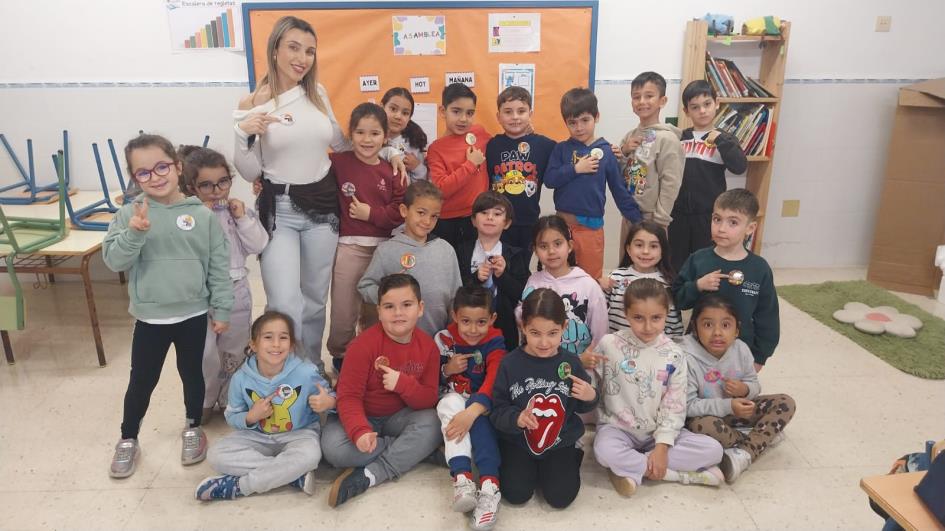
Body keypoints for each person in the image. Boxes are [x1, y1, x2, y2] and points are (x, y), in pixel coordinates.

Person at [232, 16, 402, 371]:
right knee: (283, 301)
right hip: (280, 209)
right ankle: (285, 369)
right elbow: (249, 170)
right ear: (275, 49)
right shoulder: (253, 103)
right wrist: (242, 133)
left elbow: (341, 143)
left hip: (324, 209)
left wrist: (389, 151)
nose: (302, 58)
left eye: (309, 51)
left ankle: (310, 368)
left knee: (314, 299)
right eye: (294, 48)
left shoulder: (317, 93)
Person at [103, 134, 233, 479]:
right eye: (143, 172)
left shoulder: (201, 215)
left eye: (161, 167)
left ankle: (193, 427)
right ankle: (128, 438)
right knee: (142, 380)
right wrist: (134, 233)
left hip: (193, 314)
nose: (155, 177)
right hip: (150, 318)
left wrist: (222, 309)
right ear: (135, 178)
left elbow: (218, 266)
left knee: (193, 375)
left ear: (177, 167)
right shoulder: (130, 214)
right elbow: (114, 261)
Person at [592, 279, 724, 497]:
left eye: (656, 318)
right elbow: (591, 384)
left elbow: (675, 405)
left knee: (714, 450)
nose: (647, 327)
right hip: (617, 429)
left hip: (658, 433)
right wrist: (583, 364)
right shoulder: (608, 344)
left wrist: (662, 448)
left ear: (666, 314)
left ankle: (632, 469)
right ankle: (675, 475)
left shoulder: (674, 354)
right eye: (638, 318)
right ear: (626, 314)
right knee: (603, 451)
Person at [322, 274, 442, 508]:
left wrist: (403, 384)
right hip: (362, 416)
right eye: (389, 307)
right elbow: (348, 397)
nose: (398, 313)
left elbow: (428, 398)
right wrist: (359, 431)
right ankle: (415, 450)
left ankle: (375, 473)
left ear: (420, 308)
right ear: (379, 311)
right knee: (332, 449)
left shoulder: (428, 347)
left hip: (399, 417)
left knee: (434, 421)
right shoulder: (362, 346)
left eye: (406, 305)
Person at [195, 311, 336, 500]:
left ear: (291, 345)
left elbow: (334, 398)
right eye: (268, 337)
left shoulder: (306, 372)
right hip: (256, 436)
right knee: (216, 455)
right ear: (253, 344)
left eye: (283, 338)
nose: (276, 344)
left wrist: (328, 402)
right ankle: (291, 475)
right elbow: (232, 416)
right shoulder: (240, 378)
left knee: (310, 455)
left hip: (299, 435)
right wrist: (250, 417)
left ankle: (240, 486)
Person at [179, 145, 268, 419]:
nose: (217, 190)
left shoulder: (236, 211)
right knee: (204, 352)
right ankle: (205, 398)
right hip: (200, 295)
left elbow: (259, 244)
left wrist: (242, 218)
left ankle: (232, 397)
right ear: (192, 188)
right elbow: (183, 251)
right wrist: (200, 217)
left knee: (235, 349)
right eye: (206, 185)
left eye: (223, 182)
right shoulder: (186, 216)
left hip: (236, 290)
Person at [490, 288, 598, 509]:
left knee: (561, 498)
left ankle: (570, 458)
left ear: (564, 328)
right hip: (518, 442)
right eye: (535, 333)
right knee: (516, 494)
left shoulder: (571, 363)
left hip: (560, 442)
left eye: (552, 333)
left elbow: (582, 405)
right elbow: (497, 410)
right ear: (522, 327)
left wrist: (591, 395)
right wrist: (516, 418)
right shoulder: (509, 364)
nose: (544, 342)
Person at [326, 103, 406, 375]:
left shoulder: (392, 169)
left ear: (385, 136)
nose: (367, 140)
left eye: (374, 133)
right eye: (360, 132)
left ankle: (372, 355)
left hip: (383, 250)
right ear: (350, 134)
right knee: (343, 309)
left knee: (375, 308)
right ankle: (340, 354)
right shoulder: (338, 162)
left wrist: (370, 213)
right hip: (349, 248)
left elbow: (398, 211)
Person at [682, 294, 796, 483]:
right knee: (699, 426)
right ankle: (759, 439)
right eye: (708, 325)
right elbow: (688, 406)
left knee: (785, 403)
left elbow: (754, 385)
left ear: (736, 330)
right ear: (695, 327)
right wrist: (729, 406)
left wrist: (745, 389)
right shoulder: (686, 357)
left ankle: (744, 451)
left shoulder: (740, 349)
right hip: (709, 419)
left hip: (740, 412)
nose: (717, 333)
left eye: (726, 325)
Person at [672, 189, 779, 371]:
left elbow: (768, 318)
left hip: (739, 353)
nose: (721, 228)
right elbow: (677, 299)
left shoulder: (759, 268)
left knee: (732, 389)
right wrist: (697, 285)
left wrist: (760, 357)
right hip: (698, 350)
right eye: (717, 219)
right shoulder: (698, 259)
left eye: (733, 222)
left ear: (750, 228)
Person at [545, 87, 641, 280]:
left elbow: (619, 190)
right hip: (562, 227)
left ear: (596, 117)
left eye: (585, 120)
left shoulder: (607, 152)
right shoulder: (561, 149)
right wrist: (575, 169)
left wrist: (638, 221)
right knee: (559, 276)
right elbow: (549, 180)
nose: (579, 127)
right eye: (572, 123)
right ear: (565, 123)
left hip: (591, 230)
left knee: (591, 279)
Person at [434, 286, 507, 530]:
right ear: (454, 316)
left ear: (492, 319)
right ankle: (462, 478)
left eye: (481, 322)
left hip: (482, 404)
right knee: (449, 403)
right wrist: (447, 370)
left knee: (481, 425)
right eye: (466, 321)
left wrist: (472, 412)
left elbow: (494, 379)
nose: (473, 329)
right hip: (453, 402)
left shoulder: (495, 341)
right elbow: (429, 378)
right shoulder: (443, 338)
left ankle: (489, 486)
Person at [358, 180, 462, 337]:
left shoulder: (446, 250)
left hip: (438, 341)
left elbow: (456, 297)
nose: (427, 221)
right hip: (397, 341)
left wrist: (452, 334)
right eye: (421, 213)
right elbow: (365, 286)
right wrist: (389, 292)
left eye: (434, 216)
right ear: (404, 210)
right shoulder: (386, 251)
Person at [669, 80, 748, 272]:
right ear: (686, 111)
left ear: (717, 103)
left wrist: (721, 140)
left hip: (708, 215)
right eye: (695, 107)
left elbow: (739, 167)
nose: (702, 111)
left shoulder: (725, 139)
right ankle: (679, 290)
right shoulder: (680, 137)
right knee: (676, 262)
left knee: (705, 262)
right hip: (677, 214)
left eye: (707, 104)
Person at [519, 216, 607, 362]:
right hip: (541, 365)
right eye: (543, 246)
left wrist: (581, 360)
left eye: (558, 244)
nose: (551, 251)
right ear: (535, 250)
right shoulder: (533, 282)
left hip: (580, 366)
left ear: (570, 246)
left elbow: (601, 335)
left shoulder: (588, 285)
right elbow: (524, 325)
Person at [617, 71, 684, 249]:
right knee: (627, 261)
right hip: (629, 214)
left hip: (652, 218)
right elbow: (618, 174)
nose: (642, 101)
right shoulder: (629, 136)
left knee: (649, 262)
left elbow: (671, 182)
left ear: (662, 101)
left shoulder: (667, 139)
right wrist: (624, 152)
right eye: (636, 97)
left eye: (649, 96)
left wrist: (660, 220)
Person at [456, 191, 530, 349]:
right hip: (468, 327)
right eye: (484, 213)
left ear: (507, 223)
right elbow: (455, 288)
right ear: (473, 220)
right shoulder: (461, 251)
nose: (490, 217)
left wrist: (502, 276)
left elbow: (522, 293)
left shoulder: (515, 255)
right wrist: (476, 278)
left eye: (497, 214)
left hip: (504, 329)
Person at [485, 86, 556, 252]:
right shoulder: (490, 145)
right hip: (497, 222)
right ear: (498, 116)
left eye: (521, 111)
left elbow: (570, 150)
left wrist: (603, 150)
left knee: (522, 264)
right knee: (498, 263)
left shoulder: (545, 145)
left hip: (528, 222)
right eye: (508, 112)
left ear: (530, 114)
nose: (515, 117)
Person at [427, 83, 493, 254]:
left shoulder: (479, 133)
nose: (463, 119)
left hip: (478, 217)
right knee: (448, 266)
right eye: (456, 111)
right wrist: (470, 165)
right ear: (443, 111)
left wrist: (526, 133)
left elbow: (501, 145)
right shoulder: (436, 149)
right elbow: (441, 189)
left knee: (476, 266)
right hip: (447, 221)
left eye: (469, 113)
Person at [600, 220, 683, 337]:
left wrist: (672, 344)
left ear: (662, 251)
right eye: (639, 245)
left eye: (653, 246)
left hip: (654, 346)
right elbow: (598, 309)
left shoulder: (668, 282)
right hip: (617, 344)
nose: (645, 251)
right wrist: (598, 284)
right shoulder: (616, 277)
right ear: (628, 249)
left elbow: (674, 325)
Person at [381, 87, 429, 183]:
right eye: (393, 109)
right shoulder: (369, 138)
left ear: (409, 117)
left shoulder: (413, 144)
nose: (398, 116)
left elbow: (421, 185)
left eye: (405, 113)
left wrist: (417, 167)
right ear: (382, 107)